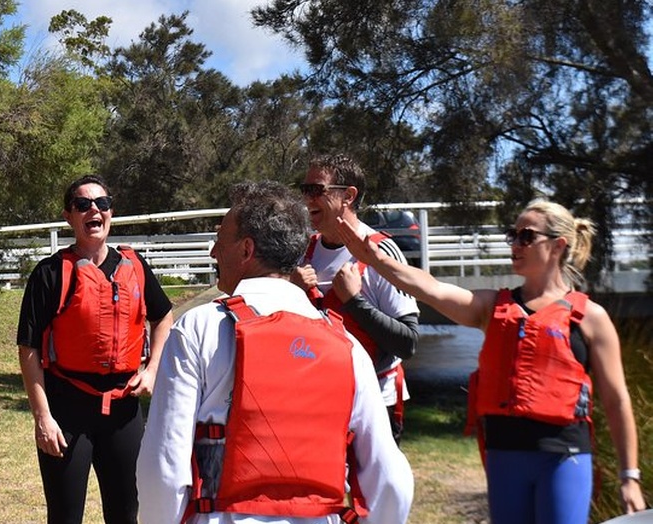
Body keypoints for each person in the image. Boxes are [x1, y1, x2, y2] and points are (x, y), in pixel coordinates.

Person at [334, 198, 647, 523]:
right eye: (513, 234)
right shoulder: (491, 307)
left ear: (558, 246)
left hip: (564, 457)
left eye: (527, 236)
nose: (515, 243)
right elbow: (430, 289)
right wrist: (373, 259)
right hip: (504, 454)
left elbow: (617, 400)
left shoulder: (591, 318)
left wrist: (629, 476)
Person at [138, 181, 413, 524]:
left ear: (246, 250)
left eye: (219, 242)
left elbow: (164, 465)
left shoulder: (199, 328)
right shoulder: (348, 347)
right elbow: (390, 478)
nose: (212, 253)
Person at [16, 174, 174, 524]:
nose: (94, 210)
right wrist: (43, 417)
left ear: (111, 212)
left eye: (102, 203)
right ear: (69, 216)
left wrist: (151, 369)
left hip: (123, 412)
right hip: (68, 408)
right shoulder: (50, 273)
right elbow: (28, 348)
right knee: (65, 515)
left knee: (125, 514)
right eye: (83, 204)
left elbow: (164, 316)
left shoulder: (134, 266)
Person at [293, 153, 419, 443]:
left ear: (348, 196)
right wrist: (292, 290)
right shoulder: (303, 252)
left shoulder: (380, 253)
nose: (307, 199)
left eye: (316, 190)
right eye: (304, 189)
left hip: (374, 404)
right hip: (320, 401)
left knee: (376, 491)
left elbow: (408, 342)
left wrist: (354, 302)